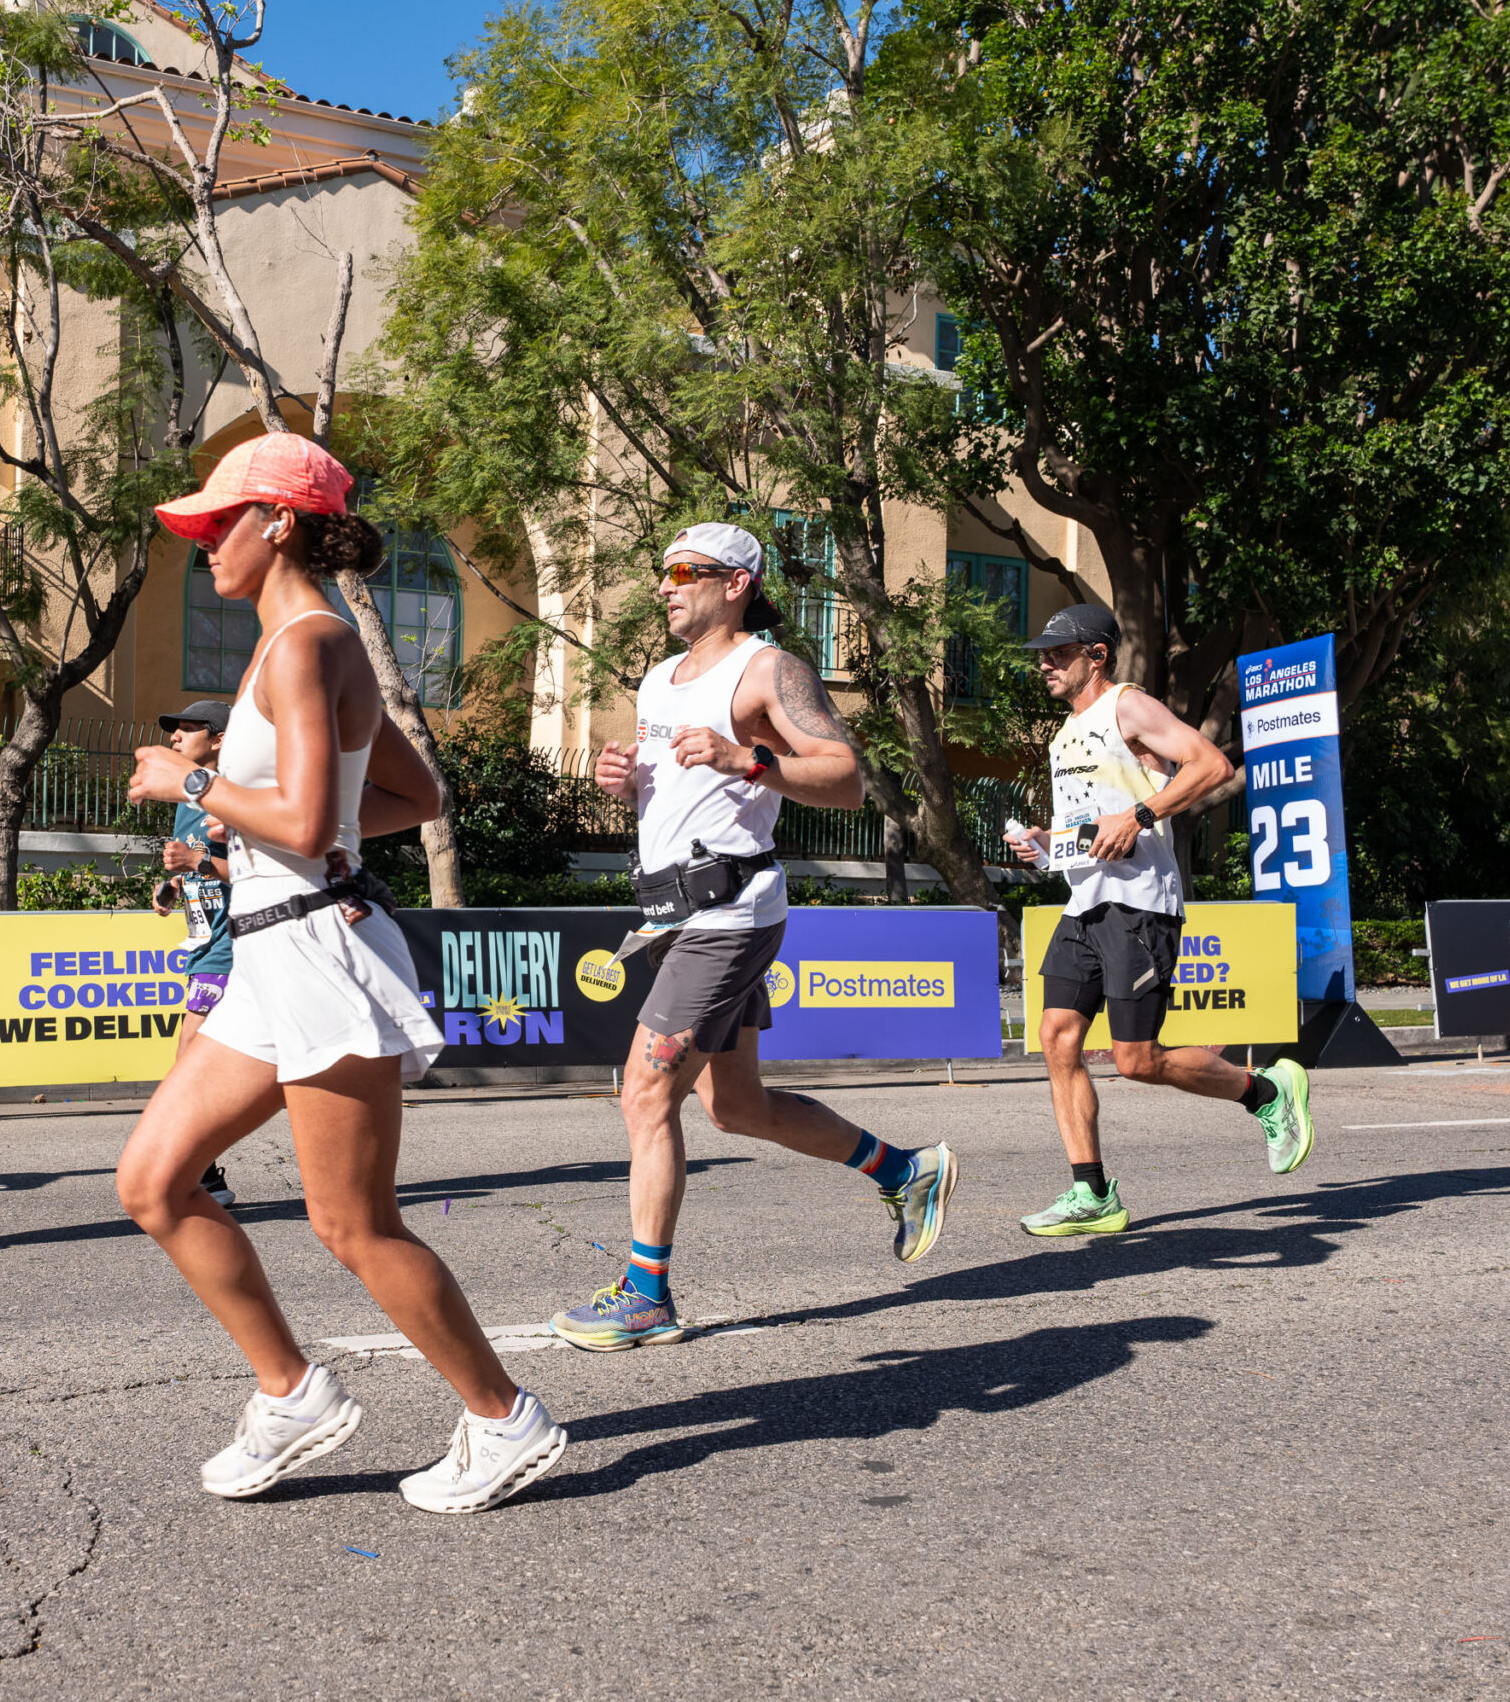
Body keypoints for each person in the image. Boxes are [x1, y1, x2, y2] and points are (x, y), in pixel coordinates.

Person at [118, 432, 568, 1515]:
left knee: (353, 1225)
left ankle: (505, 1419)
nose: (202, 544)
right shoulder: (298, 646)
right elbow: (414, 796)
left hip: (318, 955)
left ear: (278, 522)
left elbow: (311, 821)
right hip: (274, 949)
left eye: (217, 523)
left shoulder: (308, 642)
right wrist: (273, 824)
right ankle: (292, 1394)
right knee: (154, 1183)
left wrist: (193, 783)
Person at [548, 524, 957, 1354]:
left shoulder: (768, 669)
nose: (665, 586)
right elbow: (670, 801)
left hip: (730, 915)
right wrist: (625, 784)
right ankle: (905, 1170)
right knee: (734, 1107)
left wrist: (750, 761)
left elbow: (846, 779)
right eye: (662, 573)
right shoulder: (658, 678)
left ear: (735, 583)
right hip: (669, 915)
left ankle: (646, 1296)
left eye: (683, 572)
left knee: (645, 1094)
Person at [1002, 603, 1314, 1236]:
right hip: (1084, 904)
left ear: (1097, 655)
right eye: (1043, 655)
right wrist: (1044, 843)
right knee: (1057, 1037)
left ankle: (1267, 1092)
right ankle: (1092, 1193)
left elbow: (1211, 764)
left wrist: (1141, 815)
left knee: (1136, 1060)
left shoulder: (1128, 706)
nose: (1045, 664)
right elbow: (1091, 825)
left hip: (1139, 906)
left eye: (1059, 653)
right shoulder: (1064, 735)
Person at [151, 699, 239, 1207]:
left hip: (234, 950)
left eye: (188, 729)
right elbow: (193, 869)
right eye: (174, 729)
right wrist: (171, 887)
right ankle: (204, 1175)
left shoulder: (236, 793)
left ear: (219, 738)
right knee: (200, 1068)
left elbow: (258, 870)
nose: (175, 738)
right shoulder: (188, 800)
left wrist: (197, 863)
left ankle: (199, 1176)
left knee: (190, 1064)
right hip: (205, 948)